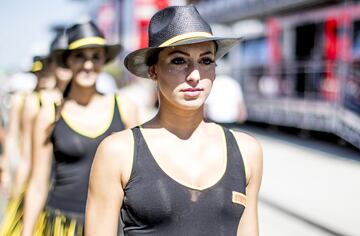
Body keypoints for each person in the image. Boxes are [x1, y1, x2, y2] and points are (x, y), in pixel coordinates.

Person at [86, 5, 263, 236]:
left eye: (206, 60)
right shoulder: (118, 152)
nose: (195, 75)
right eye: (179, 61)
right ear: (153, 71)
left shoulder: (246, 151)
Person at [21, 20, 138, 236]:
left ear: (104, 60)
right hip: (61, 224)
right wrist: (26, 232)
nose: (87, 64)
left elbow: (138, 177)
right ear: (67, 61)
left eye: (96, 57)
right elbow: (38, 183)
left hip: (111, 225)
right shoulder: (50, 113)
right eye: (79, 56)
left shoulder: (124, 108)